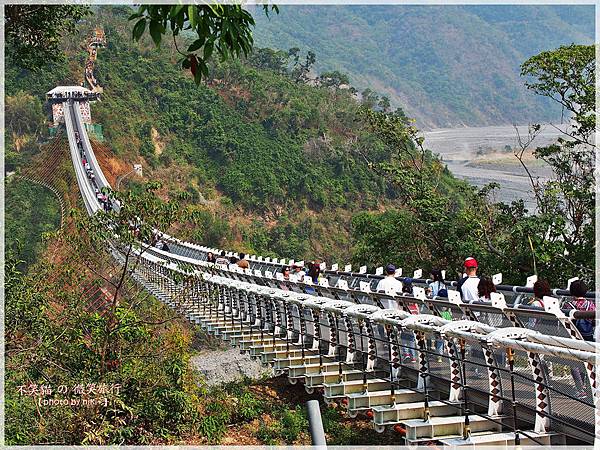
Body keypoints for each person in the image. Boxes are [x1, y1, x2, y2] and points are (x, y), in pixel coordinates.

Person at [564, 280, 595, 398]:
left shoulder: (568, 305)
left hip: (573, 338)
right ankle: (589, 387)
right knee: (588, 361)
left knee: (574, 363)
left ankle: (580, 389)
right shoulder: (590, 304)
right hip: (588, 337)